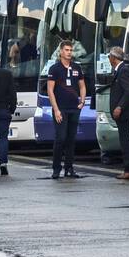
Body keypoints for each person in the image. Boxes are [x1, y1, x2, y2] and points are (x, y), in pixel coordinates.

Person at [46, 40, 86, 180]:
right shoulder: (54, 69)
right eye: (67, 50)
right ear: (61, 52)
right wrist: (56, 109)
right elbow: (50, 90)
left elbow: (82, 85)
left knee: (71, 139)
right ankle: (56, 168)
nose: (69, 52)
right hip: (61, 108)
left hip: (74, 108)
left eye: (71, 50)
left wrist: (82, 101)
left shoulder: (76, 67)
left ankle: (69, 168)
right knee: (60, 138)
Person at [108, 47, 129, 181]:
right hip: (122, 114)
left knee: (125, 141)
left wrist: (119, 107)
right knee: (124, 140)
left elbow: (128, 91)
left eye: (109, 57)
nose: (109, 59)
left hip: (125, 113)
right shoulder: (118, 70)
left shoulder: (124, 70)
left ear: (114, 58)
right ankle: (128, 168)